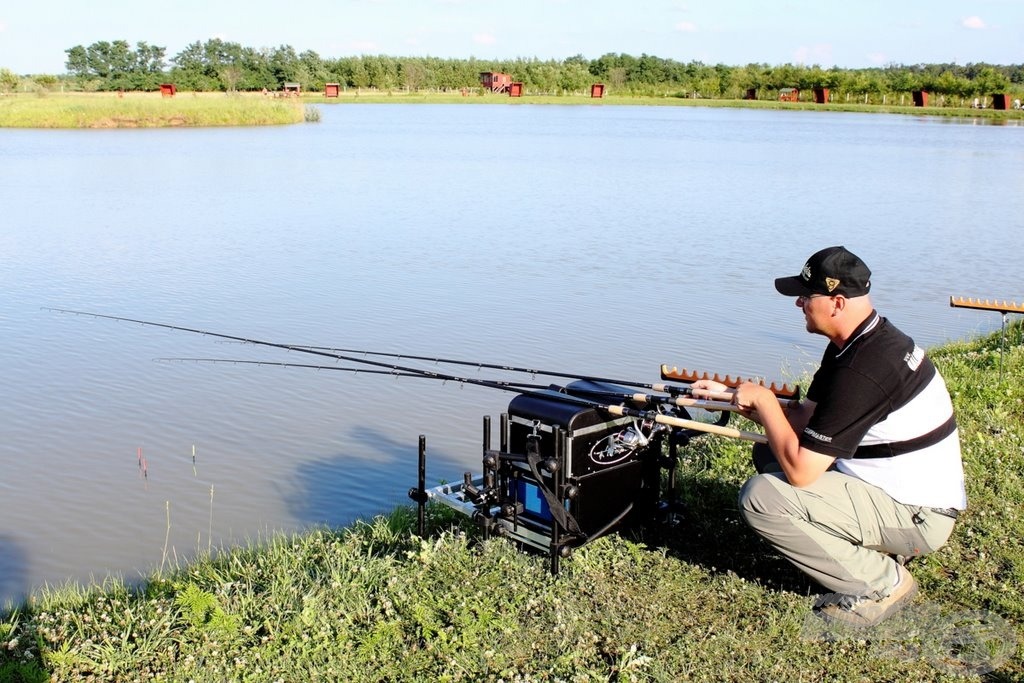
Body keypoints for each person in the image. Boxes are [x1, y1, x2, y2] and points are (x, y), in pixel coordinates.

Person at [691, 246, 966, 628]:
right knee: (773, 451)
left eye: (806, 297)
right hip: (894, 491)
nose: (798, 304)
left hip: (920, 517)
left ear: (837, 302)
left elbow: (802, 472)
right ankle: (867, 550)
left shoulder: (865, 369)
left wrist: (768, 403)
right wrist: (729, 397)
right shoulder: (859, 343)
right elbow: (804, 419)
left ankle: (884, 583)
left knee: (763, 497)